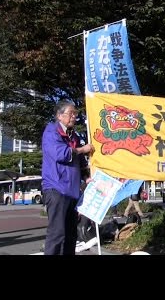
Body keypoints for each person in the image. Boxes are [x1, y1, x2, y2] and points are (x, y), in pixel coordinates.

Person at [41, 100, 94, 255]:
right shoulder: (51, 131)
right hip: (56, 188)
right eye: (71, 113)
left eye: (75, 113)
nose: (74, 116)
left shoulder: (74, 136)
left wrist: (86, 177)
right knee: (57, 233)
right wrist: (82, 149)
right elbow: (60, 154)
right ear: (59, 115)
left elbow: (81, 162)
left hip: (72, 191)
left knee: (71, 234)